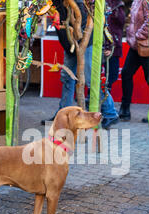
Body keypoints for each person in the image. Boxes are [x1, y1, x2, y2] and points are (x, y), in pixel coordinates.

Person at [41, 0, 119, 130]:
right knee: (67, 77)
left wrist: (78, 43)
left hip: (84, 43)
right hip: (70, 44)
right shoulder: (54, 3)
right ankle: (62, 115)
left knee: (90, 79)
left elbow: (82, 20)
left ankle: (110, 112)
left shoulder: (76, 2)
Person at [118, 0, 149, 123]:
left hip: (146, 44)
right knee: (126, 74)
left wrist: (138, 35)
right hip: (136, 46)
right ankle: (125, 109)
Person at [104, 0, 125, 92]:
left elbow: (120, 24)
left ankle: (105, 100)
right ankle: (102, 100)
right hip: (107, 45)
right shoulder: (107, 4)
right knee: (107, 76)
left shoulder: (118, 5)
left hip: (113, 45)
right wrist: (108, 46)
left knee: (111, 76)